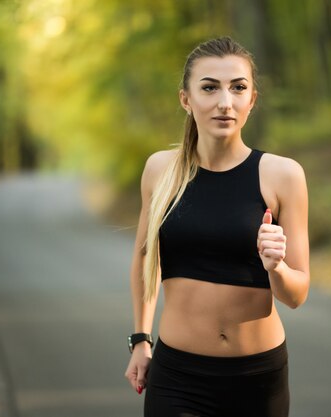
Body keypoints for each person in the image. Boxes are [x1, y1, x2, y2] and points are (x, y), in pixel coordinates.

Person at [124, 36, 309, 417]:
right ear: (186, 100)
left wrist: (276, 266)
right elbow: (146, 262)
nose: (225, 102)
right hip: (177, 377)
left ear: (252, 100)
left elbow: (296, 294)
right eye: (209, 87)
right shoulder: (160, 171)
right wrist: (141, 340)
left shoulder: (283, 175)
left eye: (238, 88)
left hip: (257, 378)